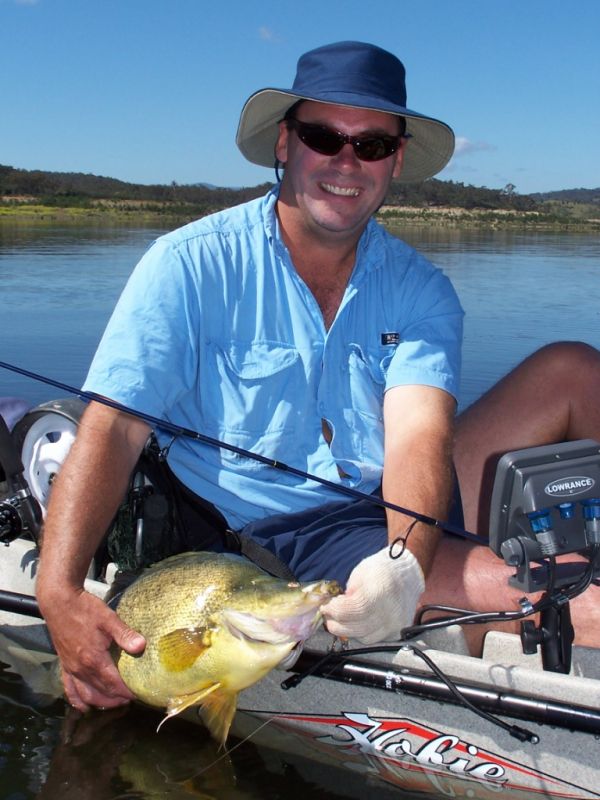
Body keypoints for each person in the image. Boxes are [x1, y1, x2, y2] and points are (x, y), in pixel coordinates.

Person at [36, 41, 600, 713]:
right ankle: (499, 595)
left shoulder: (422, 288)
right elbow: (113, 427)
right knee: (584, 602)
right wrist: (59, 593)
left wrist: (401, 565)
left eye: (371, 145)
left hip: (397, 498)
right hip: (279, 539)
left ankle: (438, 576)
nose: (345, 163)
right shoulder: (187, 265)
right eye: (323, 136)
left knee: (574, 371)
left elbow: (419, 438)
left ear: (394, 161)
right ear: (284, 143)